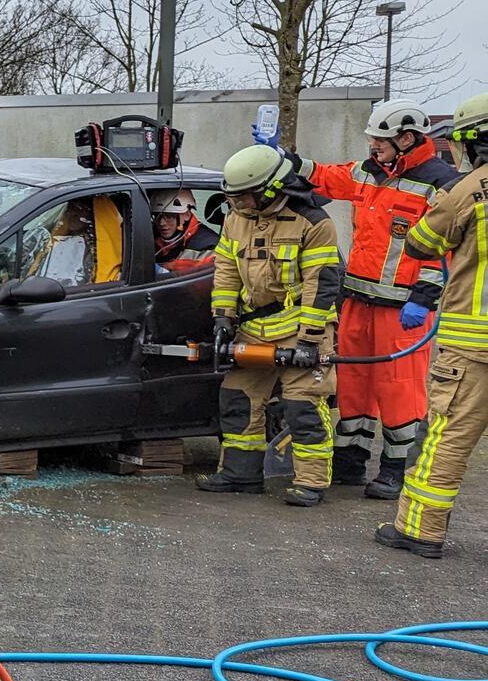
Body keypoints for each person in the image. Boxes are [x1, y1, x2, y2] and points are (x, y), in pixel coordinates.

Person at [296, 101, 459, 500]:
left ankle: (395, 469)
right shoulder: (368, 172)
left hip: (404, 308)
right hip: (357, 300)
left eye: (380, 140)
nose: (373, 145)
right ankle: (351, 461)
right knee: (352, 383)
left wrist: (422, 298)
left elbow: (444, 248)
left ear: (406, 139)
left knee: (400, 388)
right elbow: (325, 177)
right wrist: (285, 159)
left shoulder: (441, 184)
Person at [377, 91, 488, 559]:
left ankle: (419, 530)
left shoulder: (469, 190)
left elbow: (421, 243)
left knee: (445, 438)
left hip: (473, 346)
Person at [200, 144, 342, 505]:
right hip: (255, 328)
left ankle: (311, 483)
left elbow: (320, 283)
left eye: (243, 198)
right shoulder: (236, 220)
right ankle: (240, 475)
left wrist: (309, 341)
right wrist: (223, 317)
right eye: (233, 199)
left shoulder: (314, 223)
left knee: (303, 406)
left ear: (269, 190)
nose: (237, 206)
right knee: (238, 398)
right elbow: (227, 271)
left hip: (301, 328)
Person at [151, 188, 217, 274]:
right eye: (157, 215)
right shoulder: (148, 234)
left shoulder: (209, 245)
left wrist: (171, 267)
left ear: (187, 215)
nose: (161, 223)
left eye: (170, 216)